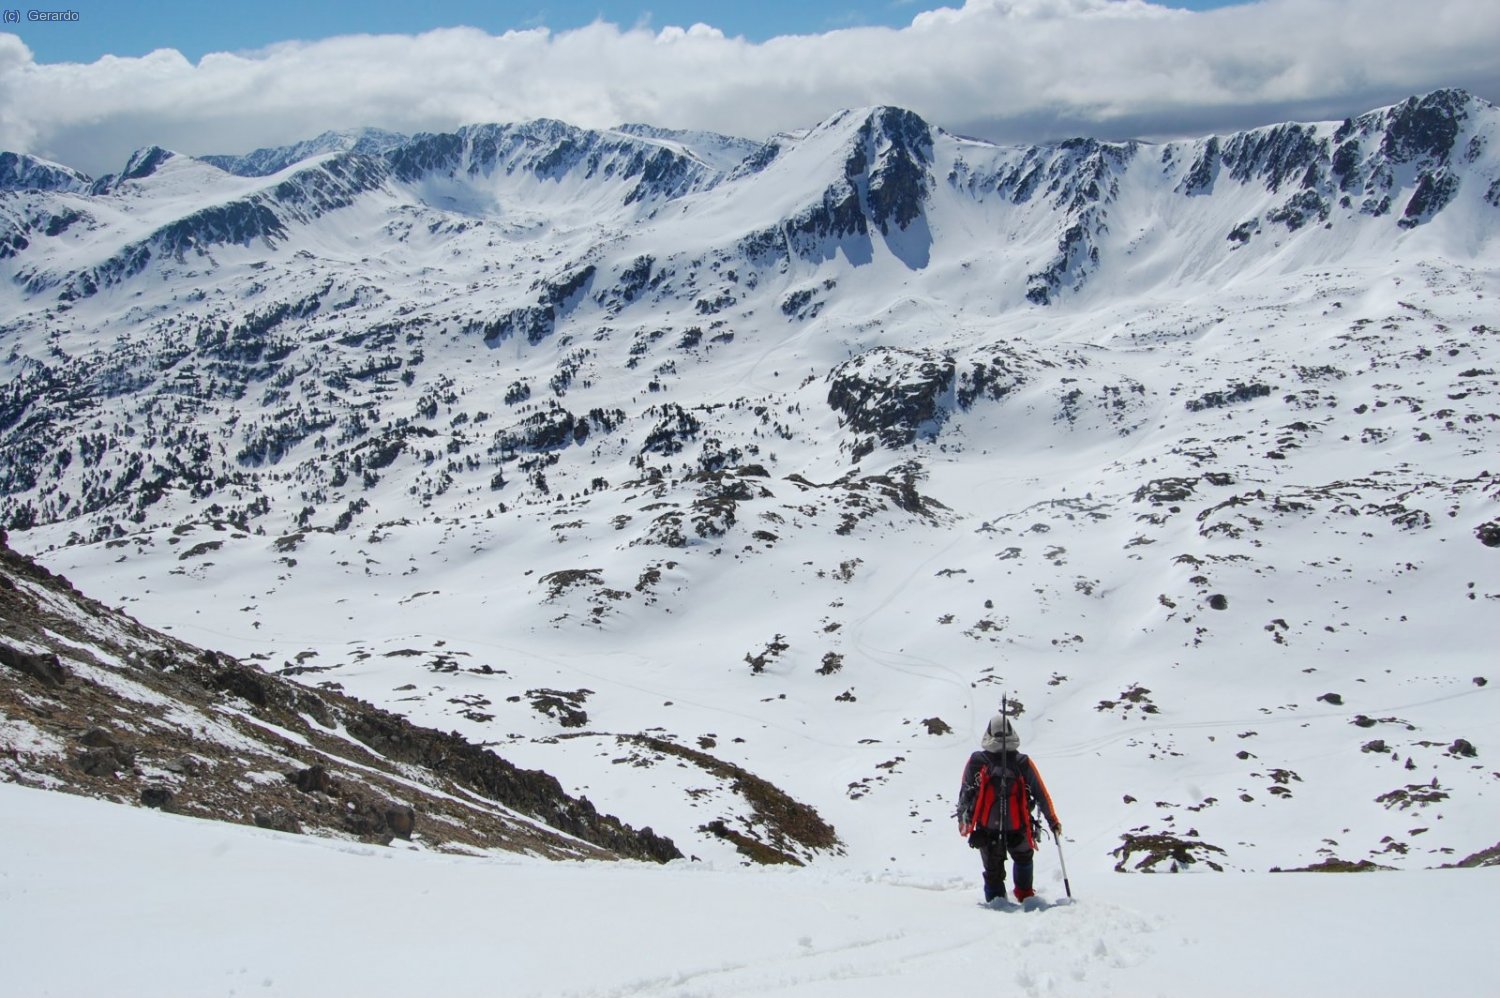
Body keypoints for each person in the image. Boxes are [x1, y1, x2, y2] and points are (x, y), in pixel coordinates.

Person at [957, 713, 1061, 904]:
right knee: (1023, 858)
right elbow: (1041, 794)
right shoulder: (1022, 763)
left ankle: (996, 905)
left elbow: (965, 792)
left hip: (987, 829)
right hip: (1018, 826)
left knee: (992, 871)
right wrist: (1052, 820)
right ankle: (1025, 896)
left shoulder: (977, 761)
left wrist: (963, 822)